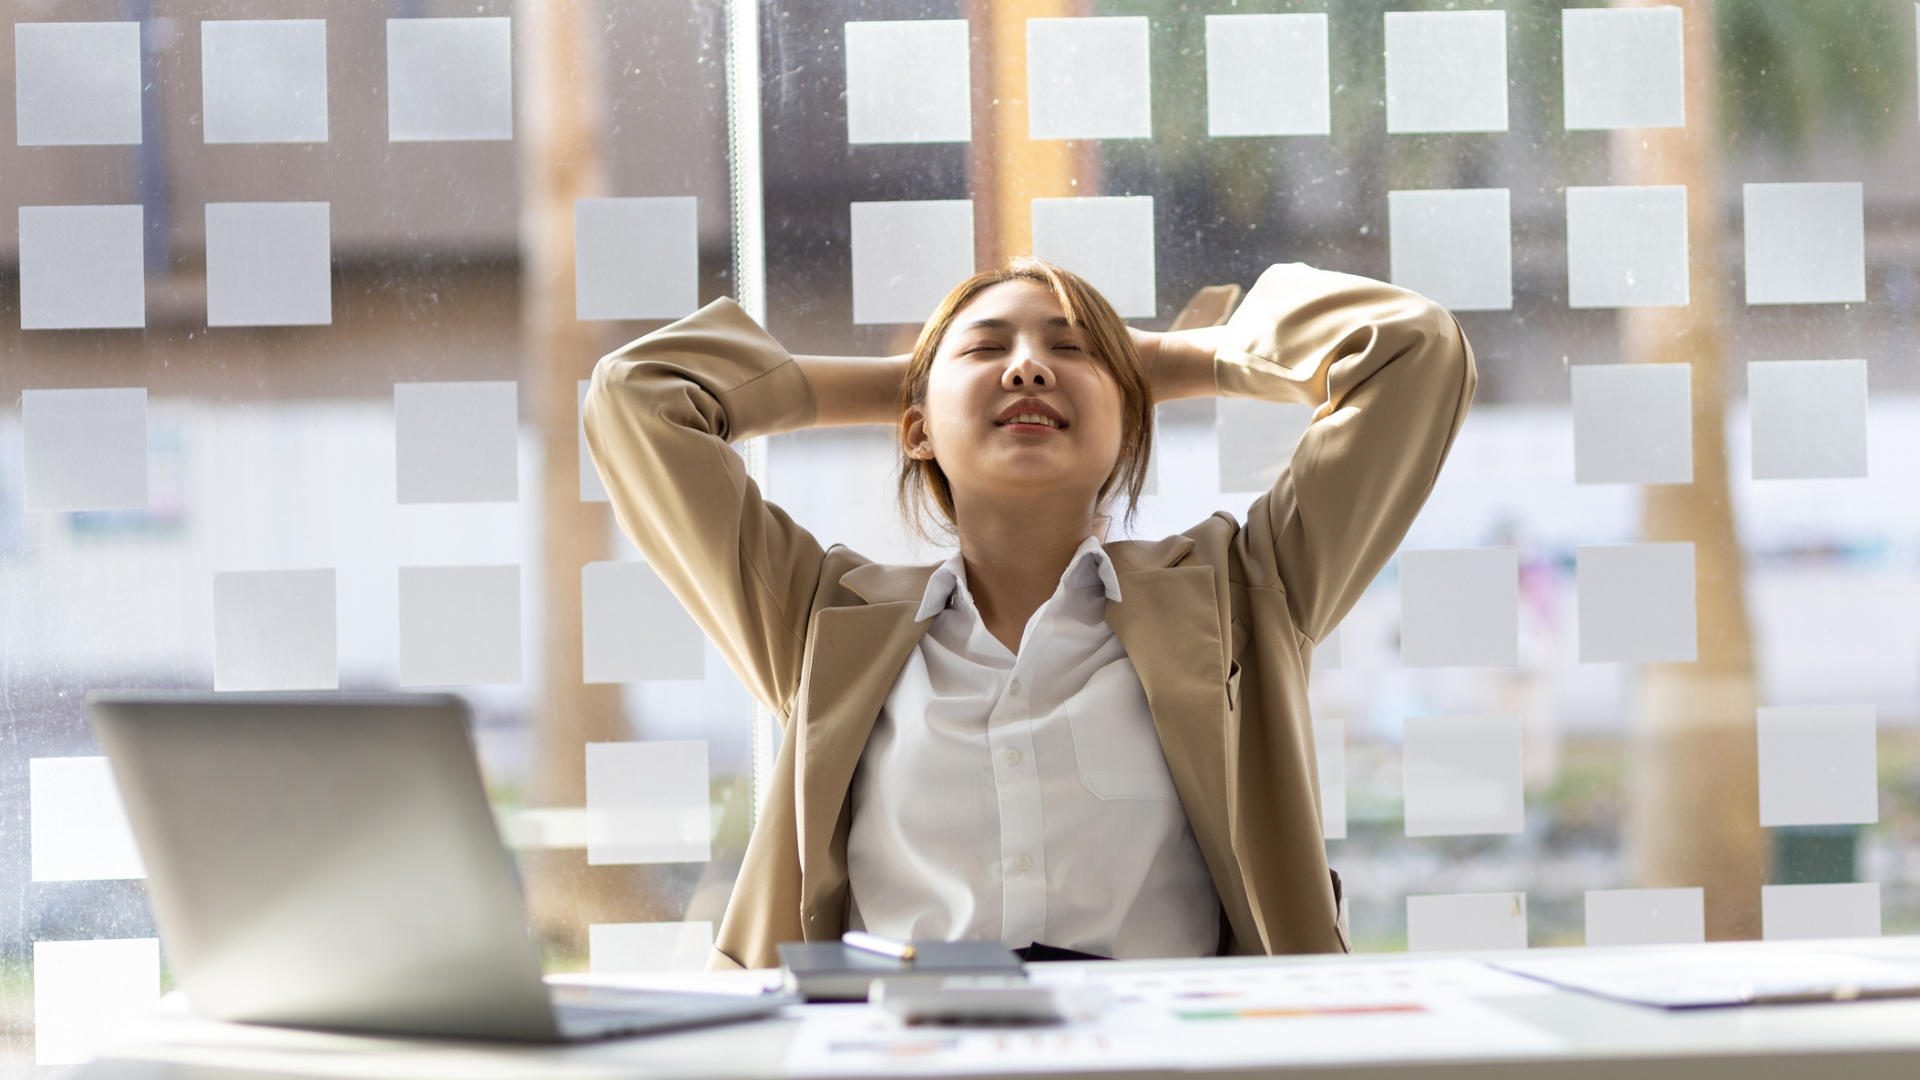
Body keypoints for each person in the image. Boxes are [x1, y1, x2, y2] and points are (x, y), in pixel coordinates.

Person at [584, 260, 1476, 970]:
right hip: (891, 1055)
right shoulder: (821, 621)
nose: (1028, 364)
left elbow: (1411, 347)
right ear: (917, 430)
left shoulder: (1243, 588)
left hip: (1172, 1055)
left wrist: (1179, 361)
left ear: (1132, 425)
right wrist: (908, 386)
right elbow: (638, 395)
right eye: (986, 350)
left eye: (1075, 348)